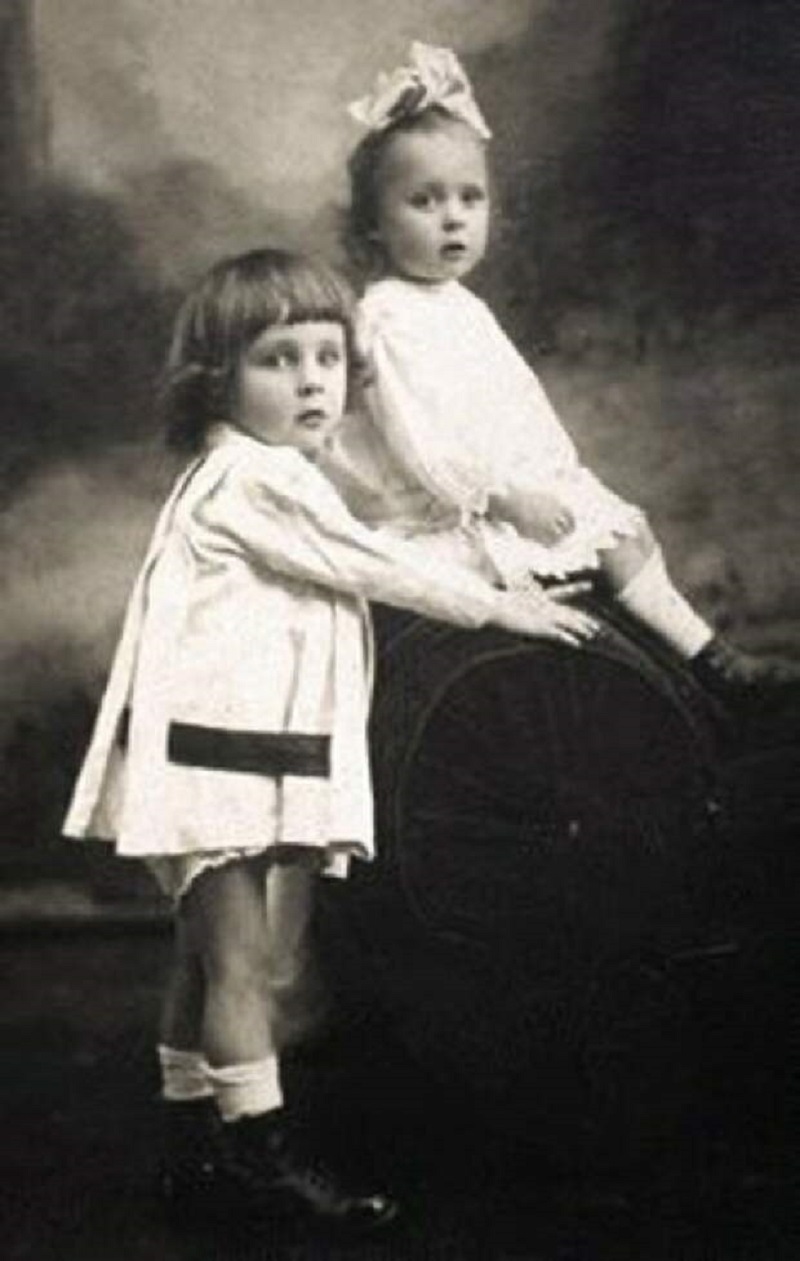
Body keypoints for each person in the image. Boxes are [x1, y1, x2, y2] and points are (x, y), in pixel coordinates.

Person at [63, 247, 597, 1233]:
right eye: (278, 359)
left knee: (202, 960)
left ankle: (193, 1147)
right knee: (240, 967)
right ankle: (260, 1163)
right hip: (214, 765)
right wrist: (499, 606)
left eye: (327, 358)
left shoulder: (239, 470)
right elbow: (368, 561)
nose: (313, 381)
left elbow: (349, 554)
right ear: (215, 378)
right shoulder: (255, 481)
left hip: (207, 756)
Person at [331, 41, 800, 718]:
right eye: (423, 201)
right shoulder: (388, 318)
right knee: (601, 545)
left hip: (509, 489)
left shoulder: (458, 306)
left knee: (620, 533)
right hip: (447, 510)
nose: (453, 217)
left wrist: (555, 477)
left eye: (469, 198)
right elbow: (420, 442)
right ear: (374, 225)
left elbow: (515, 404)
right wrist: (505, 498)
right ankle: (700, 674)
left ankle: (707, 665)